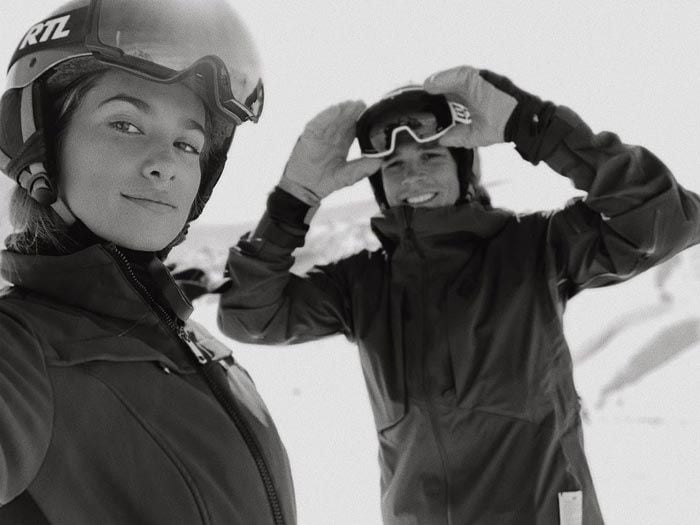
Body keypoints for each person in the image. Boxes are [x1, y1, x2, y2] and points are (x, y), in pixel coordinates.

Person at [217, 66, 700, 524]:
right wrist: (294, 198)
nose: (413, 177)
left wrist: (530, 123)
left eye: (431, 157)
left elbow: (664, 220)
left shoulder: (532, 249)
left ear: (464, 170)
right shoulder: (365, 284)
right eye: (394, 166)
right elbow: (250, 316)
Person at [0, 1, 295, 523]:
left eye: (188, 143)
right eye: (126, 125)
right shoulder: (20, 350)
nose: (166, 165)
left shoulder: (204, 350)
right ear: (41, 145)